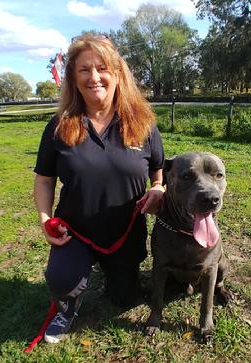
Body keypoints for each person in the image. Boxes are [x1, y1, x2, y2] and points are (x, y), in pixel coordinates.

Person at [34, 33, 165, 343]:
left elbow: (158, 172)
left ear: (117, 74)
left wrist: (158, 189)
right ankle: (67, 304)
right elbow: (44, 179)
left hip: (124, 233)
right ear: (73, 78)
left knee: (123, 299)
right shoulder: (59, 125)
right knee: (62, 278)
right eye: (84, 70)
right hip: (74, 231)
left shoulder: (143, 123)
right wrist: (43, 219)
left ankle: (113, 275)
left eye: (102, 68)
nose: (94, 77)